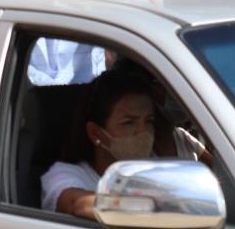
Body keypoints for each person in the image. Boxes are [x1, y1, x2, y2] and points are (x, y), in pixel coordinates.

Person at [41, 70, 156, 218]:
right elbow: (78, 204)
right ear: (95, 133)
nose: (143, 132)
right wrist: (154, 208)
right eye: (129, 122)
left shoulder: (152, 172)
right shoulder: (64, 174)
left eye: (149, 121)